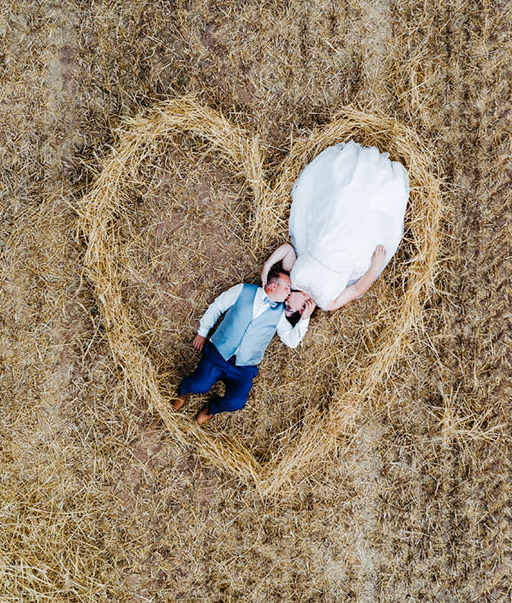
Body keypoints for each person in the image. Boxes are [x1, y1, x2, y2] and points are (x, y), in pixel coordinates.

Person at [261, 141, 409, 311]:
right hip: (350, 249)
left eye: (283, 302)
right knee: (368, 206)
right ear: (301, 311)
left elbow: (287, 249)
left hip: (326, 233)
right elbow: (356, 289)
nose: (286, 301)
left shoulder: (293, 280)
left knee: (343, 194)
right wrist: (375, 266)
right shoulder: (328, 303)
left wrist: (267, 266)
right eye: (288, 307)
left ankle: (359, 169)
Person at [172, 268, 315, 425]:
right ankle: (183, 392)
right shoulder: (243, 290)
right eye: (287, 287)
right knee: (198, 385)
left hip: (244, 366)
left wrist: (304, 319)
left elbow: (291, 341)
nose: (289, 292)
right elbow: (217, 306)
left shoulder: (280, 313)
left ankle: (211, 409)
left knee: (237, 402)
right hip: (219, 353)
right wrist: (202, 332)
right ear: (273, 286)